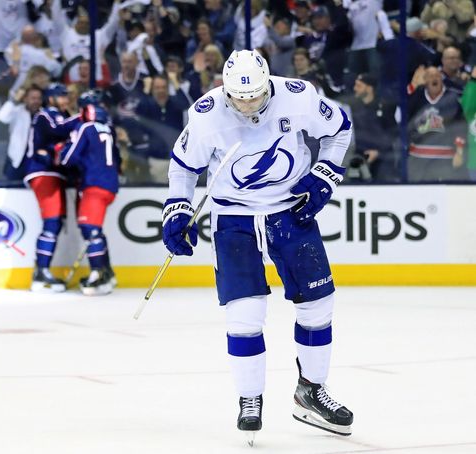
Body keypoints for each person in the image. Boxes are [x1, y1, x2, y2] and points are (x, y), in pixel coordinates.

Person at [162, 49, 354, 440]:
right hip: (234, 219)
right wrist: (178, 207)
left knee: (318, 305)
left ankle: (311, 391)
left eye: (256, 96)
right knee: (245, 314)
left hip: (291, 213)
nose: (248, 104)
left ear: (269, 84)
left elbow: (340, 127)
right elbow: (183, 166)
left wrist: (325, 173)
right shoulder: (205, 114)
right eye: (239, 97)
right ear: (224, 90)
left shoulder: (298, 96)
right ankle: (250, 398)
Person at [59, 90, 118, 295]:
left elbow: (68, 159)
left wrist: (63, 148)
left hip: (94, 184)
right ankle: (107, 273)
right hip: (109, 185)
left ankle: (97, 275)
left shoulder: (86, 128)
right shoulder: (108, 129)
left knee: (90, 230)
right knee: (96, 231)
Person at [27, 82, 80, 292]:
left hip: (52, 173)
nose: (65, 99)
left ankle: (42, 271)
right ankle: (41, 273)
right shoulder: (46, 115)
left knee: (55, 223)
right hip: (43, 173)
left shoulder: (59, 115)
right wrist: (82, 116)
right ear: (51, 98)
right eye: (61, 95)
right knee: (51, 222)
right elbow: (58, 129)